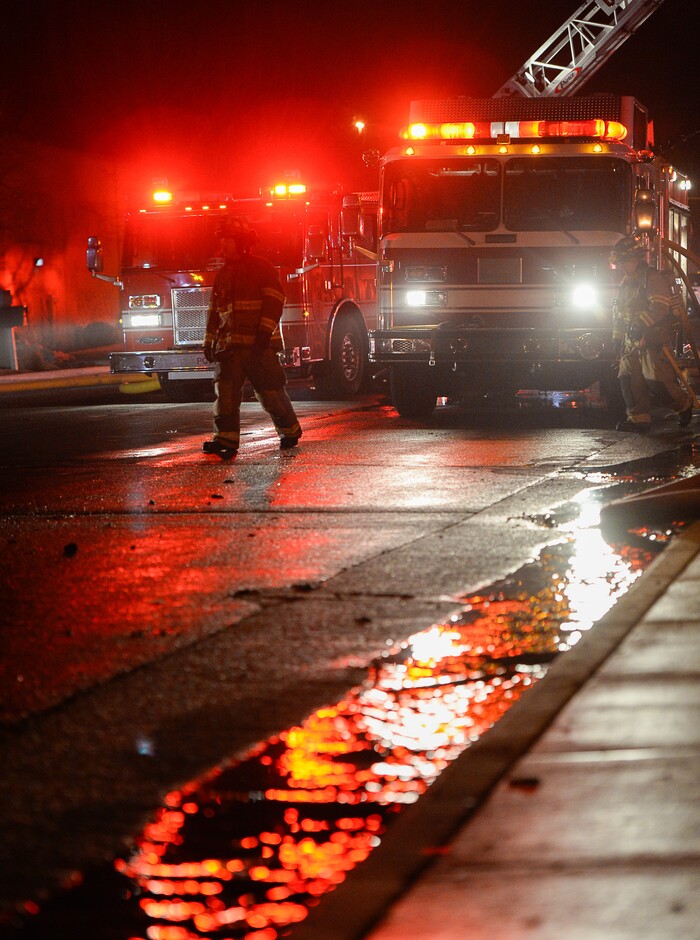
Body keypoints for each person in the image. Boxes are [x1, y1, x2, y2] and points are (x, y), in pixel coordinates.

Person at [201, 217, 302, 459]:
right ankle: (225, 438)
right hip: (230, 349)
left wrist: (264, 334)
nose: (222, 246)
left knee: (271, 393)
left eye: (227, 241)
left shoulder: (262, 269)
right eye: (222, 241)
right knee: (224, 393)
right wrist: (208, 342)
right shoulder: (223, 275)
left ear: (241, 243)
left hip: (259, 348)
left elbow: (275, 301)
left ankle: (290, 430)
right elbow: (215, 312)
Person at [609, 235, 693, 432]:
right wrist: (616, 338)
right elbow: (619, 313)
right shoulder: (625, 283)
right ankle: (638, 419)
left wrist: (640, 325)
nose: (623, 265)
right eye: (620, 262)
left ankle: (684, 405)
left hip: (651, 339)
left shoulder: (652, 279)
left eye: (625, 261)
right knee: (629, 380)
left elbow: (660, 307)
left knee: (657, 382)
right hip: (631, 341)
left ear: (637, 258)